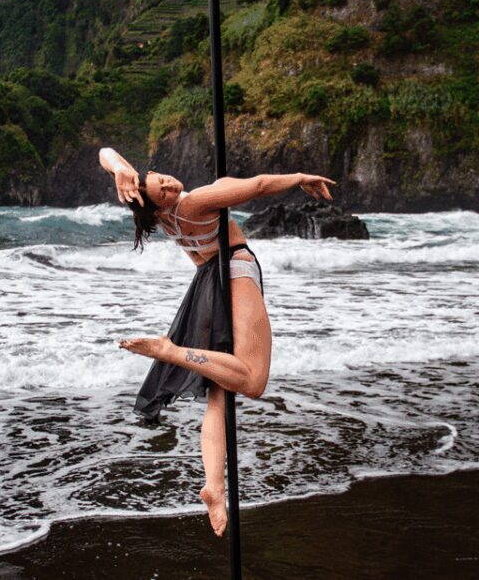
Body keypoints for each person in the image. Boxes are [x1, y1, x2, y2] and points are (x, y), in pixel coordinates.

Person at [99, 147, 334, 536]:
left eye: (165, 184)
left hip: (206, 282)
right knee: (254, 380)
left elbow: (105, 152)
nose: (172, 187)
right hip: (234, 271)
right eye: (165, 192)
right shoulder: (194, 202)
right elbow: (257, 186)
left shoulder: (163, 212)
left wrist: (121, 169)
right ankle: (171, 351)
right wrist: (299, 178)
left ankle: (213, 486)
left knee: (219, 391)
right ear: (159, 207)